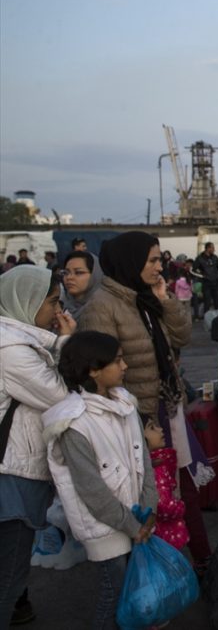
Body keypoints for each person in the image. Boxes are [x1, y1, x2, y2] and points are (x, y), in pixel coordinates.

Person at [77, 231, 211, 571]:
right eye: (152, 259)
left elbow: (182, 335)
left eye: (159, 258)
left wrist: (164, 299)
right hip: (137, 420)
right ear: (131, 262)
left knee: (182, 487)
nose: (159, 265)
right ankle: (161, 574)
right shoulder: (101, 308)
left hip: (167, 409)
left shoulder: (146, 299)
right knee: (154, 498)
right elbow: (99, 376)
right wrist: (135, 419)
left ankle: (198, 560)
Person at [43, 330, 158, 629]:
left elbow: (142, 459)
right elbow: (91, 489)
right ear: (93, 370)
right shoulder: (73, 421)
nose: (125, 367)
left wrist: (149, 508)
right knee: (115, 595)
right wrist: (133, 526)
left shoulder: (126, 403)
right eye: (117, 361)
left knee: (136, 596)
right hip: (105, 526)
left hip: (137, 517)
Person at [0, 266, 73, 626]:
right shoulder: (12, 350)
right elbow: (60, 396)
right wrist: (66, 343)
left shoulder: (17, 341)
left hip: (13, 470)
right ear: (27, 303)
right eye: (53, 302)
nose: (58, 312)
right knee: (7, 579)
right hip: (11, 477)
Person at [141, 414, 189, 551]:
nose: (160, 430)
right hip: (166, 537)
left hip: (164, 534)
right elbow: (163, 505)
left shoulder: (157, 461)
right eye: (152, 428)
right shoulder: (156, 467)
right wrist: (179, 506)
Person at [61, 250, 104, 320]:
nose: (69, 277)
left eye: (78, 272)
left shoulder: (103, 311)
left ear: (94, 275)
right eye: (66, 273)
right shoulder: (60, 307)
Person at [194, 242, 218, 314]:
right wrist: (202, 275)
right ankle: (206, 318)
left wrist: (217, 275)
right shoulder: (200, 258)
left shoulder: (215, 258)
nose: (214, 250)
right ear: (208, 248)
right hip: (206, 283)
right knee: (207, 302)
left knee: (217, 302)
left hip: (216, 283)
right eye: (212, 248)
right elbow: (194, 269)